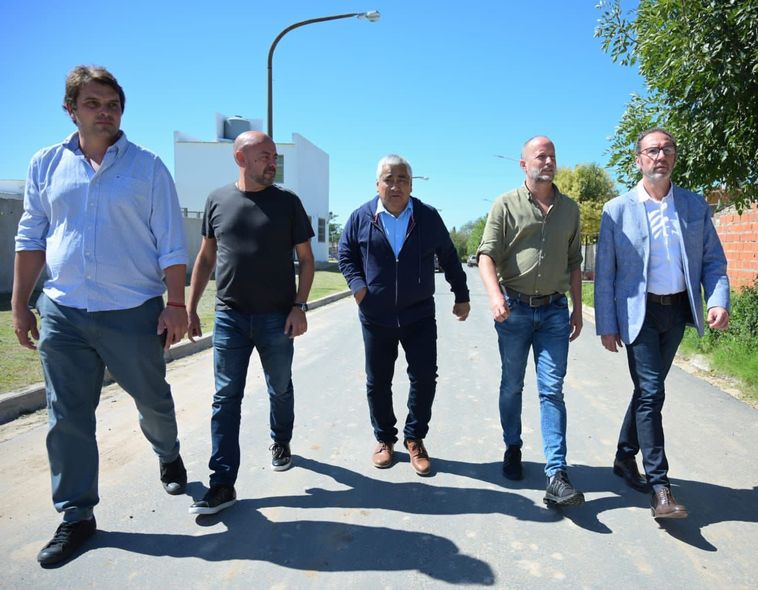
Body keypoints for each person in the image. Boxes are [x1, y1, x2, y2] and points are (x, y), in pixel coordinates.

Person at [12, 65, 189, 566]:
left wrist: (175, 304)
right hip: (63, 310)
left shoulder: (148, 167)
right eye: (93, 103)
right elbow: (31, 238)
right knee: (66, 416)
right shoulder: (46, 164)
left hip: (132, 312)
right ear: (71, 110)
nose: (105, 112)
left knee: (153, 400)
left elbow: (172, 243)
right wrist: (21, 303)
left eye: (112, 104)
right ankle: (76, 515)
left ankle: (168, 451)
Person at [594, 127, 730, 519]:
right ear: (638, 159)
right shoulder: (617, 210)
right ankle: (660, 487)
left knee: (647, 390)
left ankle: (624, 457)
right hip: (639, 315)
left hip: (676, 312)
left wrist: (718, 299)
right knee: (652, 393)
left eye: (668, 149)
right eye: (652, 150)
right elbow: (605, 274)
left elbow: (713, 261)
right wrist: (607, 322)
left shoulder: (693, 206)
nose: (660, 156)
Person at [186, 131, 315, 515]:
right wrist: (191, 307)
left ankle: (281, 440)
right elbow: (206, 258)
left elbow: (306, 260)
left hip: (278, 317)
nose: (272, 162)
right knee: (225, 398)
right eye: (264, 156)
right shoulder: (217, 200)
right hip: (230, 317)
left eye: (274, 156)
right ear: (240, 158)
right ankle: (222, 483)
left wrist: (299, 306)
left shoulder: (288, 203)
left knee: (279, 386)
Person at [338, 154, 470, 476]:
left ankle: (415, 438)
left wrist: (461, 295)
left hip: (419, 315)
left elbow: (450, 257)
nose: (395, 185)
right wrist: (358, 287)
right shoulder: (361, 217)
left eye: (403, 180)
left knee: (424, 378)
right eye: (389, 179)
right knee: (378, 381)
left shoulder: (427, 217)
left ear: (411, 184)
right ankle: (384, 439)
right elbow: (345, 253)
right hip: (376, 316)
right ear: (378, 184)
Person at [477, 136, 585, 508]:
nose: (549, 160)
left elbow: (574, 263)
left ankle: (556, 473)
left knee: (552, 390)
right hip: (514, 309)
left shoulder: (569, 210)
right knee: (512, 385)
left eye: (553, 155)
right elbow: (486, 255)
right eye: (541, 155)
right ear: (524, 164)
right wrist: (494, 296)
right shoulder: (505, 205)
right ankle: (512, 446)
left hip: (554, 312)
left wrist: (578, 308)